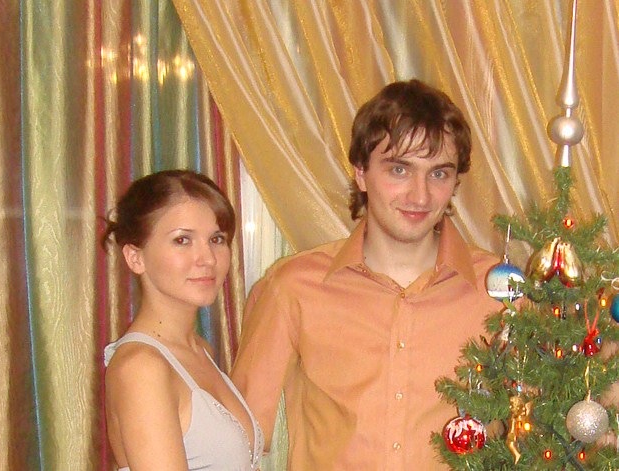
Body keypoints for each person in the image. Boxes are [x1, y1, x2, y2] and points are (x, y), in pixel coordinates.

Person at [230, 79, 503, 469]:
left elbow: (542, 426)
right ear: (361, 173)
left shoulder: (499, 289)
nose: (420, 195)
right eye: (399, 169)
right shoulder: (293, 287)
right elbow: (239, 440)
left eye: (439, 174)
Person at [102, 170, 263, 471]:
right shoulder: (142, 367)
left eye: (217, 239)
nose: (208, 258)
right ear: (135, 257)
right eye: (182, 240)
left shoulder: (199, 349)